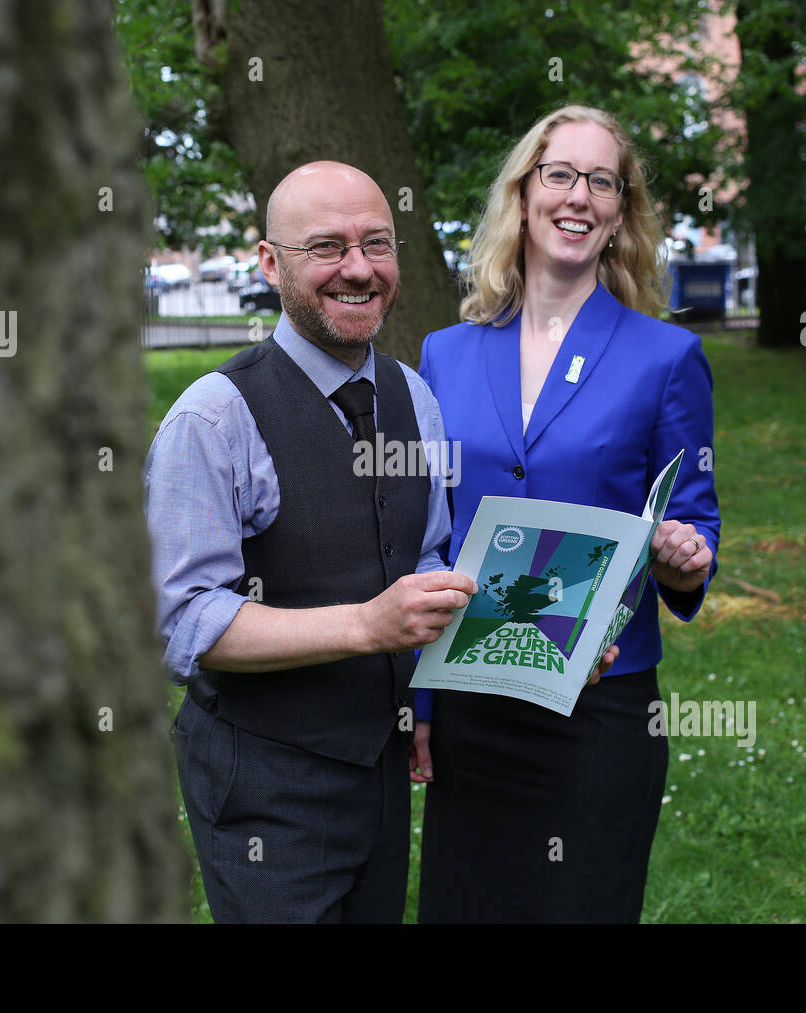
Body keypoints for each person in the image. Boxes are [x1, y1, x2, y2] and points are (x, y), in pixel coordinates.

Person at [143, 161, 478, 923]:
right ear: (270, 263)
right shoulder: (213, 419)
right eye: (327, 247)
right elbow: (183, 621)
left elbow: (424, 554)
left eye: (377, 244)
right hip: (267, 783)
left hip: (383, 770)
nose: (358, 269)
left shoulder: (413, 396)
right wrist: (365, 626)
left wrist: (550, 627)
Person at [411, 106, 721, 923]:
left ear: (620, 211)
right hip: (473, 699)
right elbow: (428, 531)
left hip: (602, 707)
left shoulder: (667, 357)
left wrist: (683, 557)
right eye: (559, 174)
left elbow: (693, 520)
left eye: (601, 180)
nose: (577, 195)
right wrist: (425, 704)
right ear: (524, 193)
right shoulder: (445, 352)